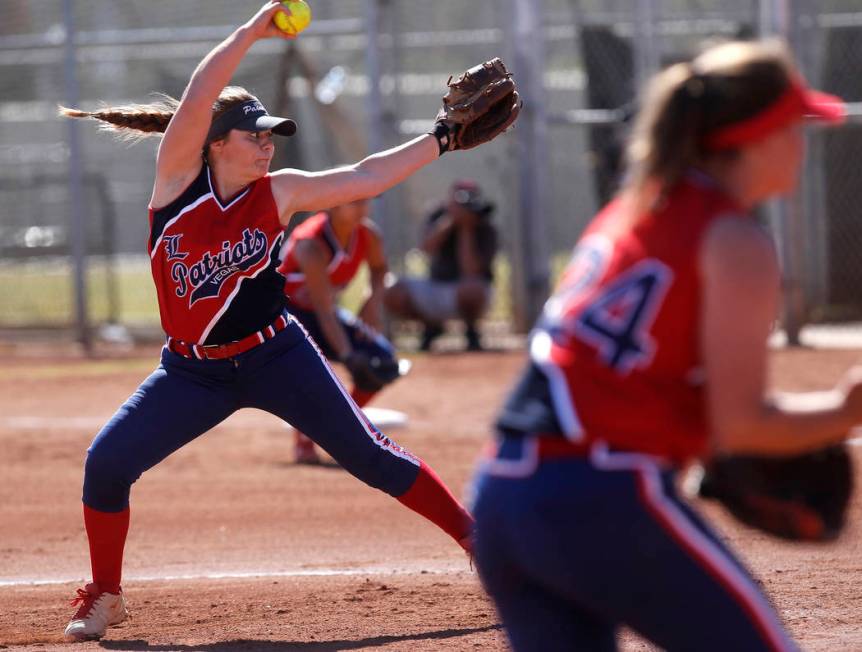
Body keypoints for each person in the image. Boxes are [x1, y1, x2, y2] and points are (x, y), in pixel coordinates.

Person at [58, 2, 513, 642]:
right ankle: (106, 593)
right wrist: (251, 32)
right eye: (255, 134)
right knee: (105, 464)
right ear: (215, 144)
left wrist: (440, 138)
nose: (268, 145)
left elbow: (366, 176)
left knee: (371, 456)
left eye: (272, 135)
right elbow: (200, 94)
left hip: (277, 356)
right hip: (193, 372)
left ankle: (484, 548)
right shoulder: (176, 182)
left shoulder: (283, 191)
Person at [471, 39, 861, 651]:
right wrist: (845, 409)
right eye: (795, 126)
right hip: (601, 498)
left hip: (503, 497)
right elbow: (741, 426)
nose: (804, 144)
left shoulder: (632, 213)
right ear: (755, 136)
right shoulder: (734, 239)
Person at [278, 197, 408, 464]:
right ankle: (305, 441)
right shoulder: (311, 244)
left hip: (322, 313)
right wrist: (348, 356)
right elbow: (325, 311)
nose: (362, 206)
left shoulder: (368, 234)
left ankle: (336, 427)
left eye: (365, 200)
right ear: (333, 205)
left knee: (381, 362)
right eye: (354, 201)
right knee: (313, 373)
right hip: (284, 317)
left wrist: (372, 302)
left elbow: (380, 268)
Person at [384, 179, 498, 352]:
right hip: (436, 286)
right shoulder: (438, 215)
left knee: (473, 289)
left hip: (467, 290)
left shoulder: (485, 227)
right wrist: (450, 221)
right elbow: (426, 249)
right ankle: (431, 326)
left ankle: (471, 331)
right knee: (391, 289)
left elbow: (471, 271)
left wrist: (466, 230)